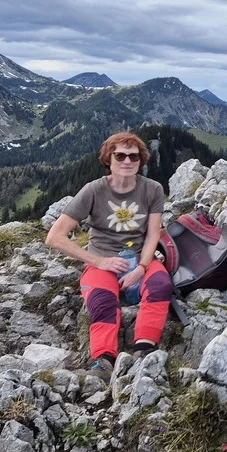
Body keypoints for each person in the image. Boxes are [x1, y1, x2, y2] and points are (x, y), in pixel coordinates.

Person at [45, 132, 170, 382]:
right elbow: (54, 237)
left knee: (161, 285)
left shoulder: (153, 189)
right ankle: (102, 360)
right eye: (120, 156)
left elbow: (153, 235)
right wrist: (99, 261)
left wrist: (141, 268)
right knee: (103, 301)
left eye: (134, 156)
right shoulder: (93, 190)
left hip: (140, 258)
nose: (127, 161)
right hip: (101, 260)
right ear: (108, 160)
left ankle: (144, 349)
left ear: (141, 160)